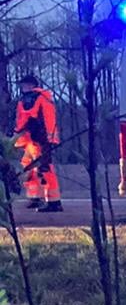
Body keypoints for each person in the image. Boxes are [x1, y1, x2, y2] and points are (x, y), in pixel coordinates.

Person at [13, 74, 61, 212]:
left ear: (32, 85)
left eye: (25, 85)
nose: (22, 87)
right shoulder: (29, 99)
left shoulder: (38, 98)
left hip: (39, 139)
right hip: (30, 140)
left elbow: (40, 119)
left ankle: (54, 201)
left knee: (44, 168)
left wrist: (49, 139)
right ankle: (35, 197)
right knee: (29, 168)